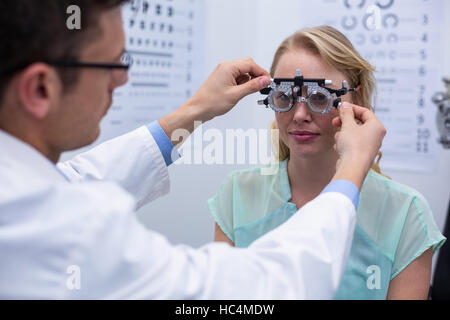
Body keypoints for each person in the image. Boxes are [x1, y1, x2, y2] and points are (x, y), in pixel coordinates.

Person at [0, 1, 386, 299]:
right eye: (113, 64)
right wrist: (352, 168)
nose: (123, 79)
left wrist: (194, 112)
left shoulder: (403, 212)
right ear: (40, 89)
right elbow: (253, 292)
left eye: (320, 97)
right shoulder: (52, 223)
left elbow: (75, 182)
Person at [209, 26, 446, 300]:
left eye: (320, 97)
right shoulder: (237, 194)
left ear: (354, 99)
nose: (299, 114)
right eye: (285, 96)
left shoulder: (405, 214)